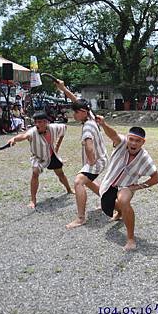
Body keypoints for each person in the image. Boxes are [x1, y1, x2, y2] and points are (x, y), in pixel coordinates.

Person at [97, 119, 158, 251]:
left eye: (138, 141)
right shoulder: (121, 144)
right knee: (107, 206)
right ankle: (119, 211)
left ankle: (130, 238)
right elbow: (113, 135)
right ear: (127, 138)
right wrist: (103, 124)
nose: (133, 143)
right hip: (109, 184)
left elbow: (155, 179)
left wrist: (137, 186)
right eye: (131, 139)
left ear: (143, 142)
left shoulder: (145, 158)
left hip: (126, 186)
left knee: (123, 200)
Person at [55, 80, 109, 229]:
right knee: (89, 183)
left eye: (75, 112)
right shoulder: (90, 117)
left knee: (79, 181)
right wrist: (63, 88)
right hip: (103, 158)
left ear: (83, 113)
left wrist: (90, 162)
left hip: (96, 161)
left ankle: (81, 218)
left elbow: (89, 148)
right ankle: (117, 206)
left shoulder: (87, 128)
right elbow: (76, 101)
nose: (73, 114)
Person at [6, 111, 72, 209]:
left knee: (60, 173)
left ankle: (69, 189)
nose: (37, 124)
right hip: (38, 157)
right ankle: (33, 200)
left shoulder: (53, 128)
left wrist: (57, 145)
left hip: (51, 154)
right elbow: (24, 136)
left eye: (40, 122)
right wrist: (14, 139)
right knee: (35, 172)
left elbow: (64, 128)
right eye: (36, 122)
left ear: (46, 122)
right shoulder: (32, 132)